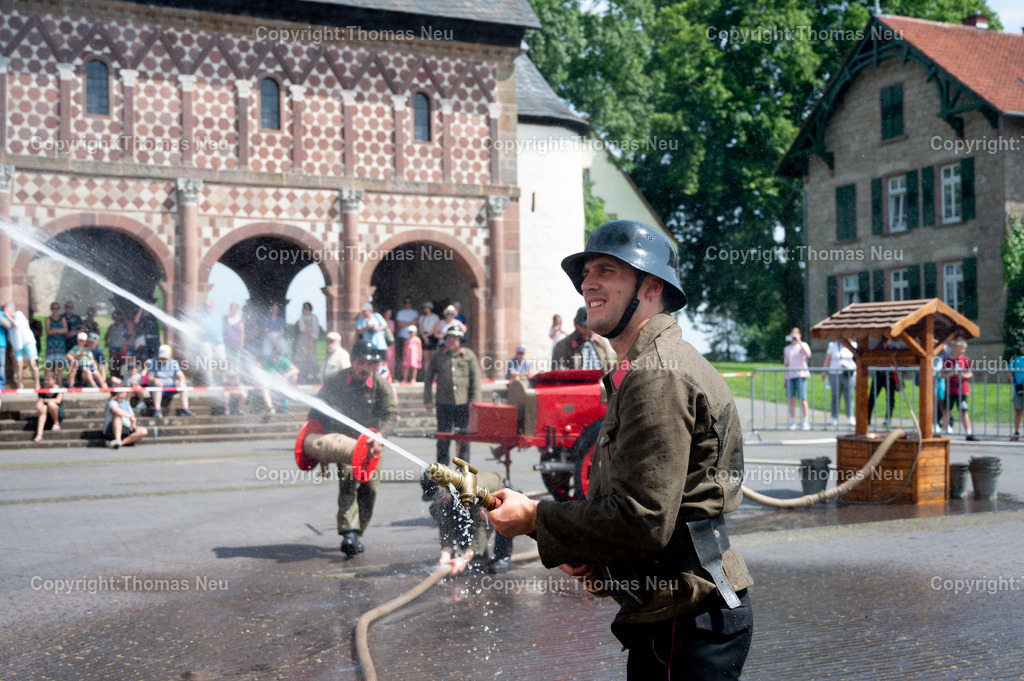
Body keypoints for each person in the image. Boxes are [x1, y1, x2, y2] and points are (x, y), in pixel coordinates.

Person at [488, 220, 752, 680]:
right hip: (676, 613)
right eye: (586, 273)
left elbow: (642, 519)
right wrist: (603, 562)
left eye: (606, 271)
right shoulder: (642, 368)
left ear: (651, 286)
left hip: (688, 622)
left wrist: (534, 518)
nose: (587, 283)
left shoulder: (657, 375)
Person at [307, 340, 397, 557]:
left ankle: (357, 532)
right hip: (344, 443)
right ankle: (348, 532)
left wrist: (381, 434)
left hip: (371, 445)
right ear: (352, 362)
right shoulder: (336, 380)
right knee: (348, 484)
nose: (364, 368)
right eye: (360, 363)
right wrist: (311, 429)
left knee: (369, 489)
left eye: (369, 364)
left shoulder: (381, 386)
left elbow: (390, 415)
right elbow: (318, 407)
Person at [422, 326, 482, 500]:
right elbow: (428, 377)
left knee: (463, 441)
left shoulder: (469, 356)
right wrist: (428, 398)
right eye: (449, 338)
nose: (451, 341)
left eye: (455, 338)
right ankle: (442, 475)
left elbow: (476, 381)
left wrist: (475, 403)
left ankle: (463, 476)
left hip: (463, 404)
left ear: (460, 340)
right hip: (444, 404)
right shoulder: (438, 355)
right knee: (443, 440)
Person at [429, 469, 513, 575]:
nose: (438, 500)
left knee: (503, 517)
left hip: (500, 496)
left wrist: (465, 559)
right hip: (466, 500)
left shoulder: (473, 491)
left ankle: (503, 557)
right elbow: (445, 525)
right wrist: (445, 555)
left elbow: (484, 526)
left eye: (439, 497)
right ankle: (477, 554)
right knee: (440, 510)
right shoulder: (443, 496)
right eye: (435, 498)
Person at [552, 307, 616, 371]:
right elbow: (558, 372)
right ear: (575, 324)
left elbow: (611, 366)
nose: (587, 330)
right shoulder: (563, 346)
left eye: (590, 327)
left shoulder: (601, 343)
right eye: (583, 326)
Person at [143, 344, 195, 418]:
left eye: (165, 358)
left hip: (170, 387)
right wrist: (155, 380)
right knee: (157, 387)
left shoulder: (173, 362)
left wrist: (181, 381)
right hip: (159, 388)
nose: (163, 360)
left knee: (183, 385)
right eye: (161, 358)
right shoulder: (153, 362)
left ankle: (185, 409)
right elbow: (149, 377)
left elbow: (181, 375)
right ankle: (157, 410)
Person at [940, 339, 974, 440]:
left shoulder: (965, 360)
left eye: (964, 349)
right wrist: (952, 373)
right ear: (954, 348)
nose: (963, 351)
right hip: (950, 390)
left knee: (963, 411)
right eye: (961, 348)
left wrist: (965, 376)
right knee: (947, 411)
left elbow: (970, 373)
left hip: (962, 390)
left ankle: (968, 433)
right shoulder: (947, 361)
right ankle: (943, 432)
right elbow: (942, 375)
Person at [5, 302, 41, 390]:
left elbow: (17, 325)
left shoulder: (19, 314)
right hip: (17, 345)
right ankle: (20, 384)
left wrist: (8, 316)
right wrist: (12, 349)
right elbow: (11, 337)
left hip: (28, 342)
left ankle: (37, 383)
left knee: (32, 362)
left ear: (12, 309)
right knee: (19, 365)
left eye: (6, 308)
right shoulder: (9, 321)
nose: (5, 310)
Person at [867, 339, 901, 427]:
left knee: (890, 398)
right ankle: (867, 418)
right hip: (879, 374)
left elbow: (900, 361)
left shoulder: (894, 347)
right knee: (872, 397)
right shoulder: (877, 346)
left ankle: (888, 418)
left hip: (889, 376)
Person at [783, 327, 812, 430]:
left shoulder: (803, 345)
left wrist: (799, 342)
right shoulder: (787, 349)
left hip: (801, 375)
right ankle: (793, 421)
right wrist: (784, 378)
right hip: (790, 376)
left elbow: (808, 354)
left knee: (803, 398)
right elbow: (786, 364)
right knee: (791, 399)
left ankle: (805, 421)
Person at [823, 339, 856, 427]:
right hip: (835, 374)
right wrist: (824, 371)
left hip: (849, 374)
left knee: (849, 396)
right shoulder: (833, 346)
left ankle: (850, 416)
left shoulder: (854, 345)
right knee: (835, 395)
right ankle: (834, 416)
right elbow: (827, 359)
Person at [261, 345, 299, 415]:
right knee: (264, 387)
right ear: (271, 353)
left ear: (280, 355)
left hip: (282, 382)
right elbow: (263, 376)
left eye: (277, 354)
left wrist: (287, 375)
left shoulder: (283, 360)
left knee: (294, 376)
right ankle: (271, 408)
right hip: (270, 383)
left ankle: (288, 395)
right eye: (274, 353)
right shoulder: (266, 361)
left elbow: (296, 370)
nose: (275, 356)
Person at [197, 298, 227, 386]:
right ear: (203, 307)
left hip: (219, 342)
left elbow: (222, 328)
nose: (208, 307)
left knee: (222, 360)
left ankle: (224, 379)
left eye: (209, 305)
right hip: (206, 342)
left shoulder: (218, 316)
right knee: (208, 361)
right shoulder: (200, 317)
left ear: (213, 306)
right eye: (206, 305)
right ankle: (210, 380)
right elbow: (198, 330)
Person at [292, 301, 321, 383]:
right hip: (302, 340)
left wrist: (311, 341)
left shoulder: (314, 317)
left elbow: (315, 330)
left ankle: (315, 378)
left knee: (311, 358)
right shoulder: (302, 317)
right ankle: (302, 378)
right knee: (302, 359)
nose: (303, 310)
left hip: (311, 340)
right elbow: (302, 328)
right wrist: (309, 328)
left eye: (304, 308)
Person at [32, 373, 64, 442]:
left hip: (57, 412)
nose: (46, 382)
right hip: (45, 414)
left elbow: (58, 401)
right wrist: (41, 404)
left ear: (54, 380)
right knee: (44, 408)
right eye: (45, 380)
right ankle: (39, 434)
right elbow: (38, 405)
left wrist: (45, 400)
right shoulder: (42, 390)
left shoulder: (60, 389)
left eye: (48, 380)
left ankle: (56, 423)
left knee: (51, 404)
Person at [394, 296, 419, 375]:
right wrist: (410, 322)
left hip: (412, 338)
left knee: (414, 358)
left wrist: (405, 323)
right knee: (403, 357)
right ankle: (403, 376)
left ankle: (412, 377)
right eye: (406, 302)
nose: (407, 304)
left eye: (409, 302)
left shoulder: (414, 312)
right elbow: (399, 324)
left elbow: (415, 322)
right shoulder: (400, 313)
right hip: (402, 337)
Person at [44, 302, 68, 378]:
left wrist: (54, 331)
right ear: (51, 309)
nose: (55, 310)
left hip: (60, 344)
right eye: (54, 308)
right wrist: (60, 330)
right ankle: (48, 381)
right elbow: (48, 331)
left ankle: (59, 382)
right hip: (51, 345)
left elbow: (65, 330)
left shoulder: (62, 319)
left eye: (57, 308)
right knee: (49, 364)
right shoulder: (48, 319)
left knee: (59, 365)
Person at [223, 302, 246, 373]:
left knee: (237, 362)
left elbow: (242, 332)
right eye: (232, 307)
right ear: (230, 308)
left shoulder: (240, 319)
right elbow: (222, 329)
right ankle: (227, 376)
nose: (233, 309)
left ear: (237, 309)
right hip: (227, 344)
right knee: (227, 361)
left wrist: (241, 343)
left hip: (237, 345)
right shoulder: (226, 318)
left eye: (235, 308)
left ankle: (237, 377)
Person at [1008, 342, 1024, 441]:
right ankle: (1017, 432)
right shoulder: (1017, 360)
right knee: (1018, 411)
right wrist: (1011, 378)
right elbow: (1008, 369)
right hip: (1018, 389)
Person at [104, 310, 127, 379]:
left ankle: (123, 378)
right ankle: (113, 377)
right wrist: (106, 342)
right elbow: (106, 336)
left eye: (118, 316)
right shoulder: (111, 327)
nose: (116, 317)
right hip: (113, 347)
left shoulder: (124, 326)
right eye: (115, 316)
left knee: (122, 363)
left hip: (122, 347)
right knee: (113, 363)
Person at [0, 301, 10, 391]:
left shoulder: (3, 314)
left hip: (1, 344)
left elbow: (7, 325)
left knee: (1, 366)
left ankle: (1, 384)